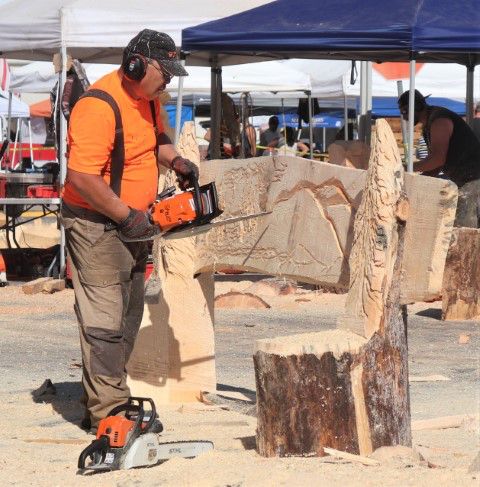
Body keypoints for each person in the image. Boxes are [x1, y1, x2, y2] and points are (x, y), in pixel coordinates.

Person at [61, 29, 197, 433]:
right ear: (136, 64)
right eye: (165, 71)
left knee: (128, 315)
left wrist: (176, 161)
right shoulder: (98, 106)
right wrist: (126, 215)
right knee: (104, 321)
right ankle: (108, 414)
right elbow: (82, 177)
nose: (169, 80)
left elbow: (154, 140)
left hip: (134, 222)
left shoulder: (149, 100)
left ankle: (108, 397)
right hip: (97, 224)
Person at [398, 89, 480, 226]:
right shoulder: (429, 125)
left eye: (405, 112)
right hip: (467, 180)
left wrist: (407, 168)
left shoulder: (439, 120)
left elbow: (437, 159)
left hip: (474, 179)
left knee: (465, 229)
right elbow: (437, 166)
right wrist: (415, 184)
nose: (404, 116)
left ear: (415, 107)